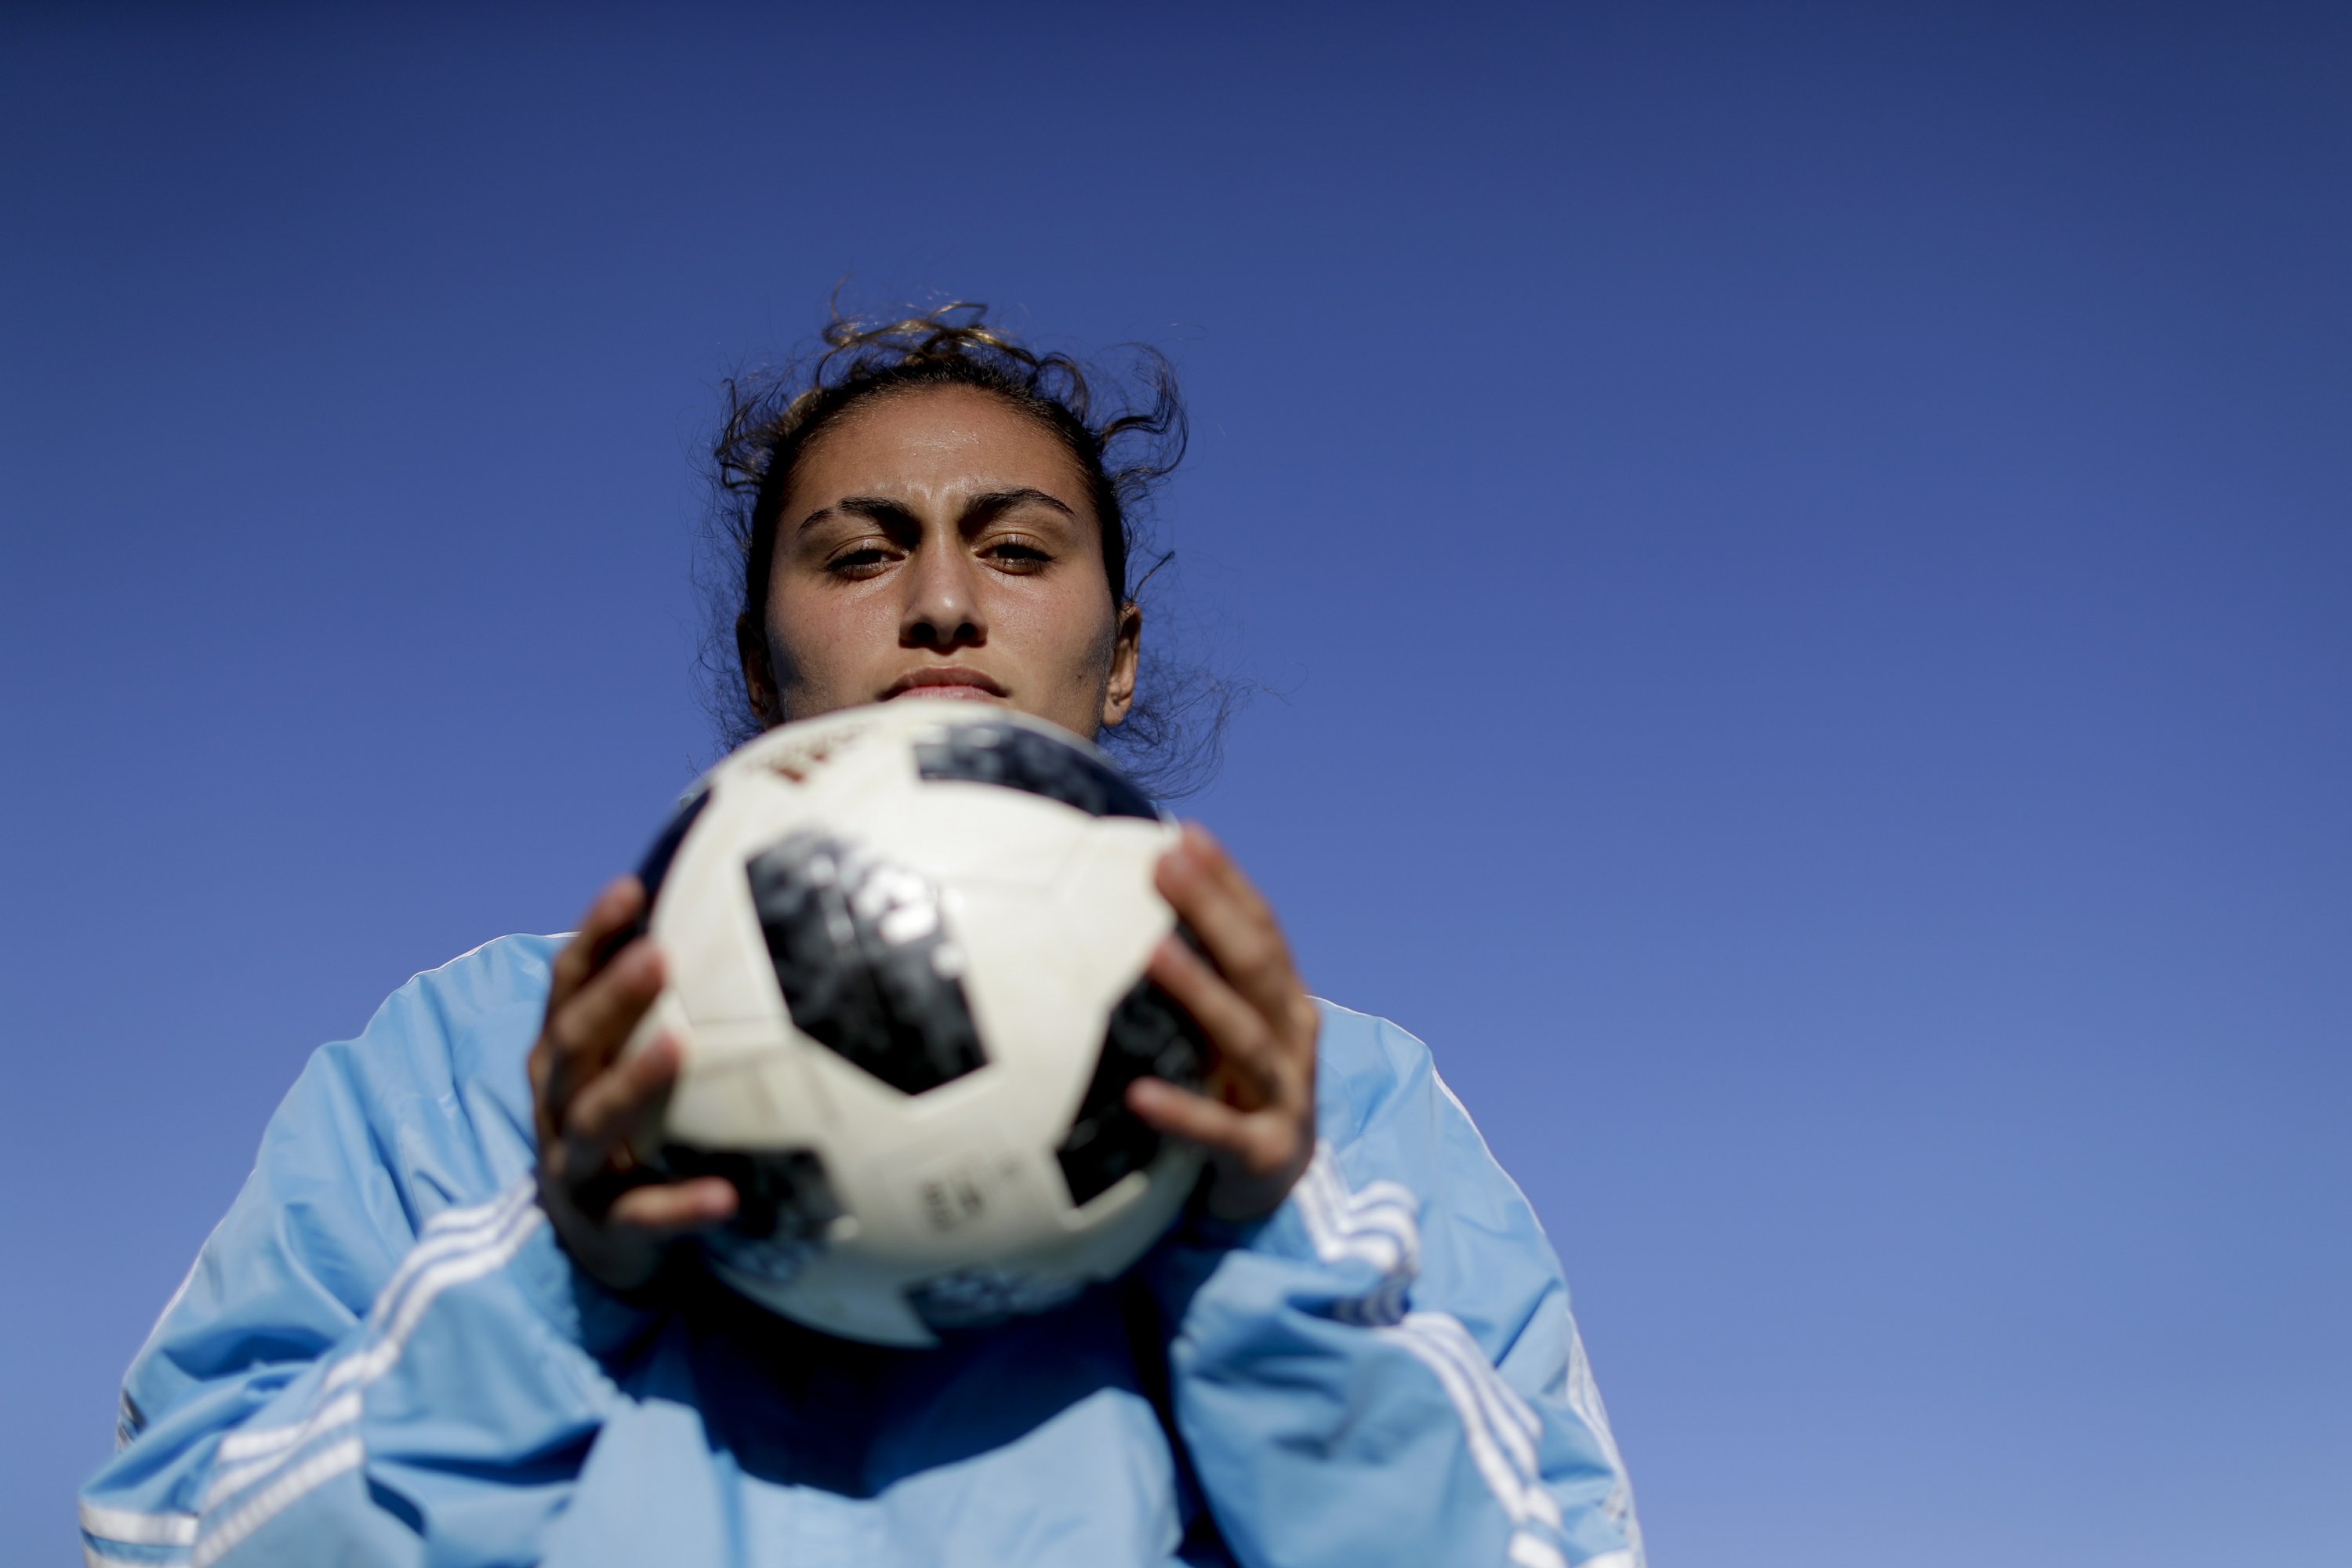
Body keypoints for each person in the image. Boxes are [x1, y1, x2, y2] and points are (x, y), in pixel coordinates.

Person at [78, 307, 1645, 1568]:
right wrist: (558, 1274)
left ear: (1121, 656)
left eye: (1019, 549)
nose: (947, 601)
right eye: (860, 551)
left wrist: (1256, 1256)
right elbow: (165, 1539)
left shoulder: (1342, 1097)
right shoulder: (484, 1053)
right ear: (762, 662)